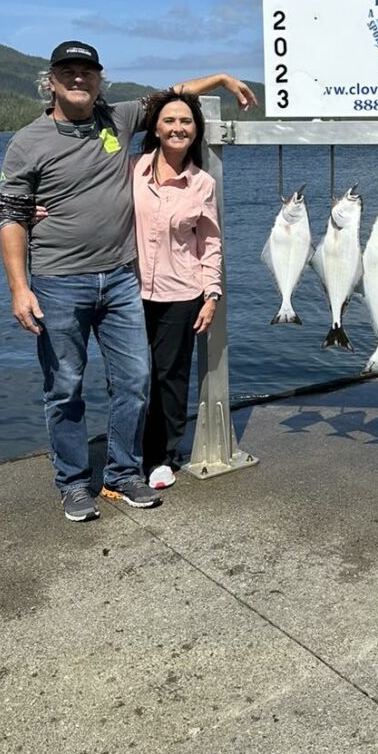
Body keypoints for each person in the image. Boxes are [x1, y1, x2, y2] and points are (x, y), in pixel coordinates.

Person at [0, 40, 255, 522]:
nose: (79, 79)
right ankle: (74, 482)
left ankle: (122, 473)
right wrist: (19, 286)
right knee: (65, 385)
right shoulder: (27, 141)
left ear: (100, 80)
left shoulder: (116, 119)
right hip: (58, 281)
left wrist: (219, 78)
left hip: (119, 279)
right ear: (50, 81)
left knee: (135, 381)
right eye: (68, 72)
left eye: (88, 72)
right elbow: (11, 215)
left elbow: (173, 95)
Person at [133, 89, 222, 491]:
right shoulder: (131, 169)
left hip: (180, 293)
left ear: (196, 131)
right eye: (169, 120)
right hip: (126, 293)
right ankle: (128, 450)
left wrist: (211, 293)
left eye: (186, 122)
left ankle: (161, 457)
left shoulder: (201, 183)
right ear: (155, 127)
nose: (178, 128)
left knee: (170, 378)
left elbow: (210, 242)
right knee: (132, 377)